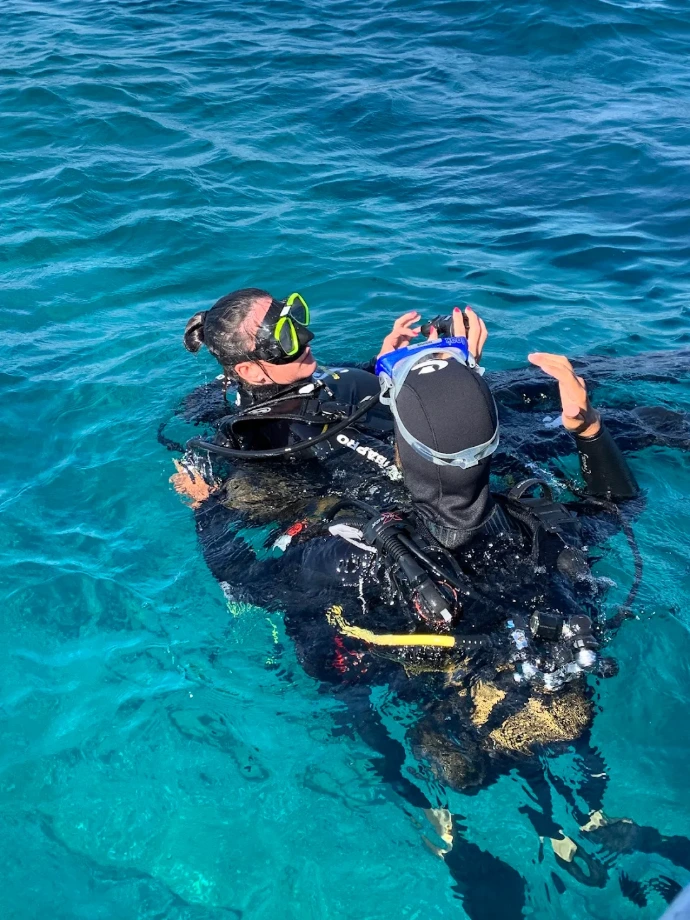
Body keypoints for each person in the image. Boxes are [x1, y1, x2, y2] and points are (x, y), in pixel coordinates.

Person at [174, 328, 690, 918]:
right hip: (544, 679)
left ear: (398, 455)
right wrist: (589, 430)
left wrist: (207, 511)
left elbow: (246, 581)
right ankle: (589, 816)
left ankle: (444, 827)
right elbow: (617, 505)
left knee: (345, 685)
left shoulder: (350, 558)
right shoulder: (539, 524)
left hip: (445, 701)